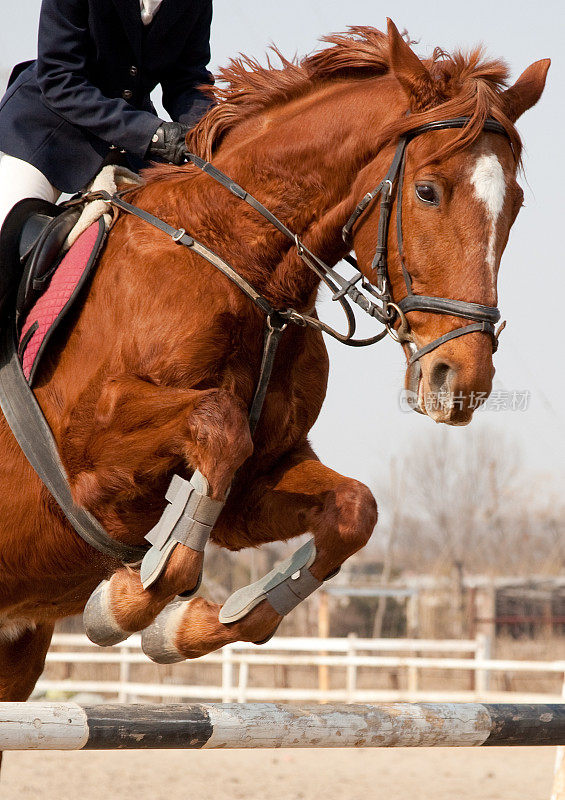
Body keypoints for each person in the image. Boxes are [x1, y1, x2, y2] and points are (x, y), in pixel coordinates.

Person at [0, 0, 215, 233]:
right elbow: (60, 79)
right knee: (7, 229)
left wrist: (214, 132)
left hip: (129, 146)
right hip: (46, 134)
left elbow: (188, 81)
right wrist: (151, 133)